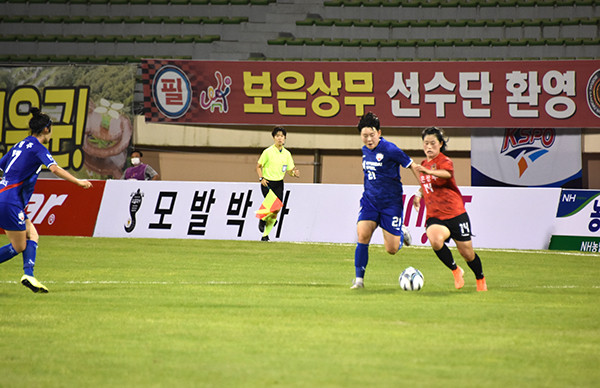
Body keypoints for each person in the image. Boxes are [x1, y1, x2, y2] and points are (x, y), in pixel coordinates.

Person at [0, 107, 93, 293]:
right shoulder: (37, 147)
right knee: (19, 246)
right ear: (45, 129)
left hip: (6, 196)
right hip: (10, 200)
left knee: (32, 235)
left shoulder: (19, 145)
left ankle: (30, 275)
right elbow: (55, 169)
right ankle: (28, 275)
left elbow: (2, 166)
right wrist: (78, 182)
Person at [413, 126, 487, 292]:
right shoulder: (425, 164)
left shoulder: (444, 161)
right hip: (435, 216)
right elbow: (426, 185)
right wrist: (418, 194)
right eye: (426, 143)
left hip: (455, 214)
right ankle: (455, 270)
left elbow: (446, 174)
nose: (429, 147)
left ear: (440, 144)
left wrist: (426, 171)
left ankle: (480, 278)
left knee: (467, 253)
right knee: (435, 239)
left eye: (432, 143)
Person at [351, 112, 419, 289]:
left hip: (391, 203)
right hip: (370, 201)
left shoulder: (390, 149)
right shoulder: (365, 150)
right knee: (362, 234)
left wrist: (422, 189)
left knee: (392, 249)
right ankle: (359, 280)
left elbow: (412, 165)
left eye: (372, 135)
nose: (368, 139)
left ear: (379, 133)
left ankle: (400, 232)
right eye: (365, 136)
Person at [256, 126, 299, 241]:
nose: (280, 138)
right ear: (274, 138)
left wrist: (294, 173)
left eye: (282, 136)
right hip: (267, 182)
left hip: (279, 182)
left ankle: (265, 235)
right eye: (277, 136)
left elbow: (289, 170)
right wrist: (261, 179)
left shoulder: (287, 154)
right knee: (271, 206)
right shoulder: (268, 152)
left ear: (285, 138)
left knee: (276, 209)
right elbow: (258, 166)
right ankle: (262, 218)